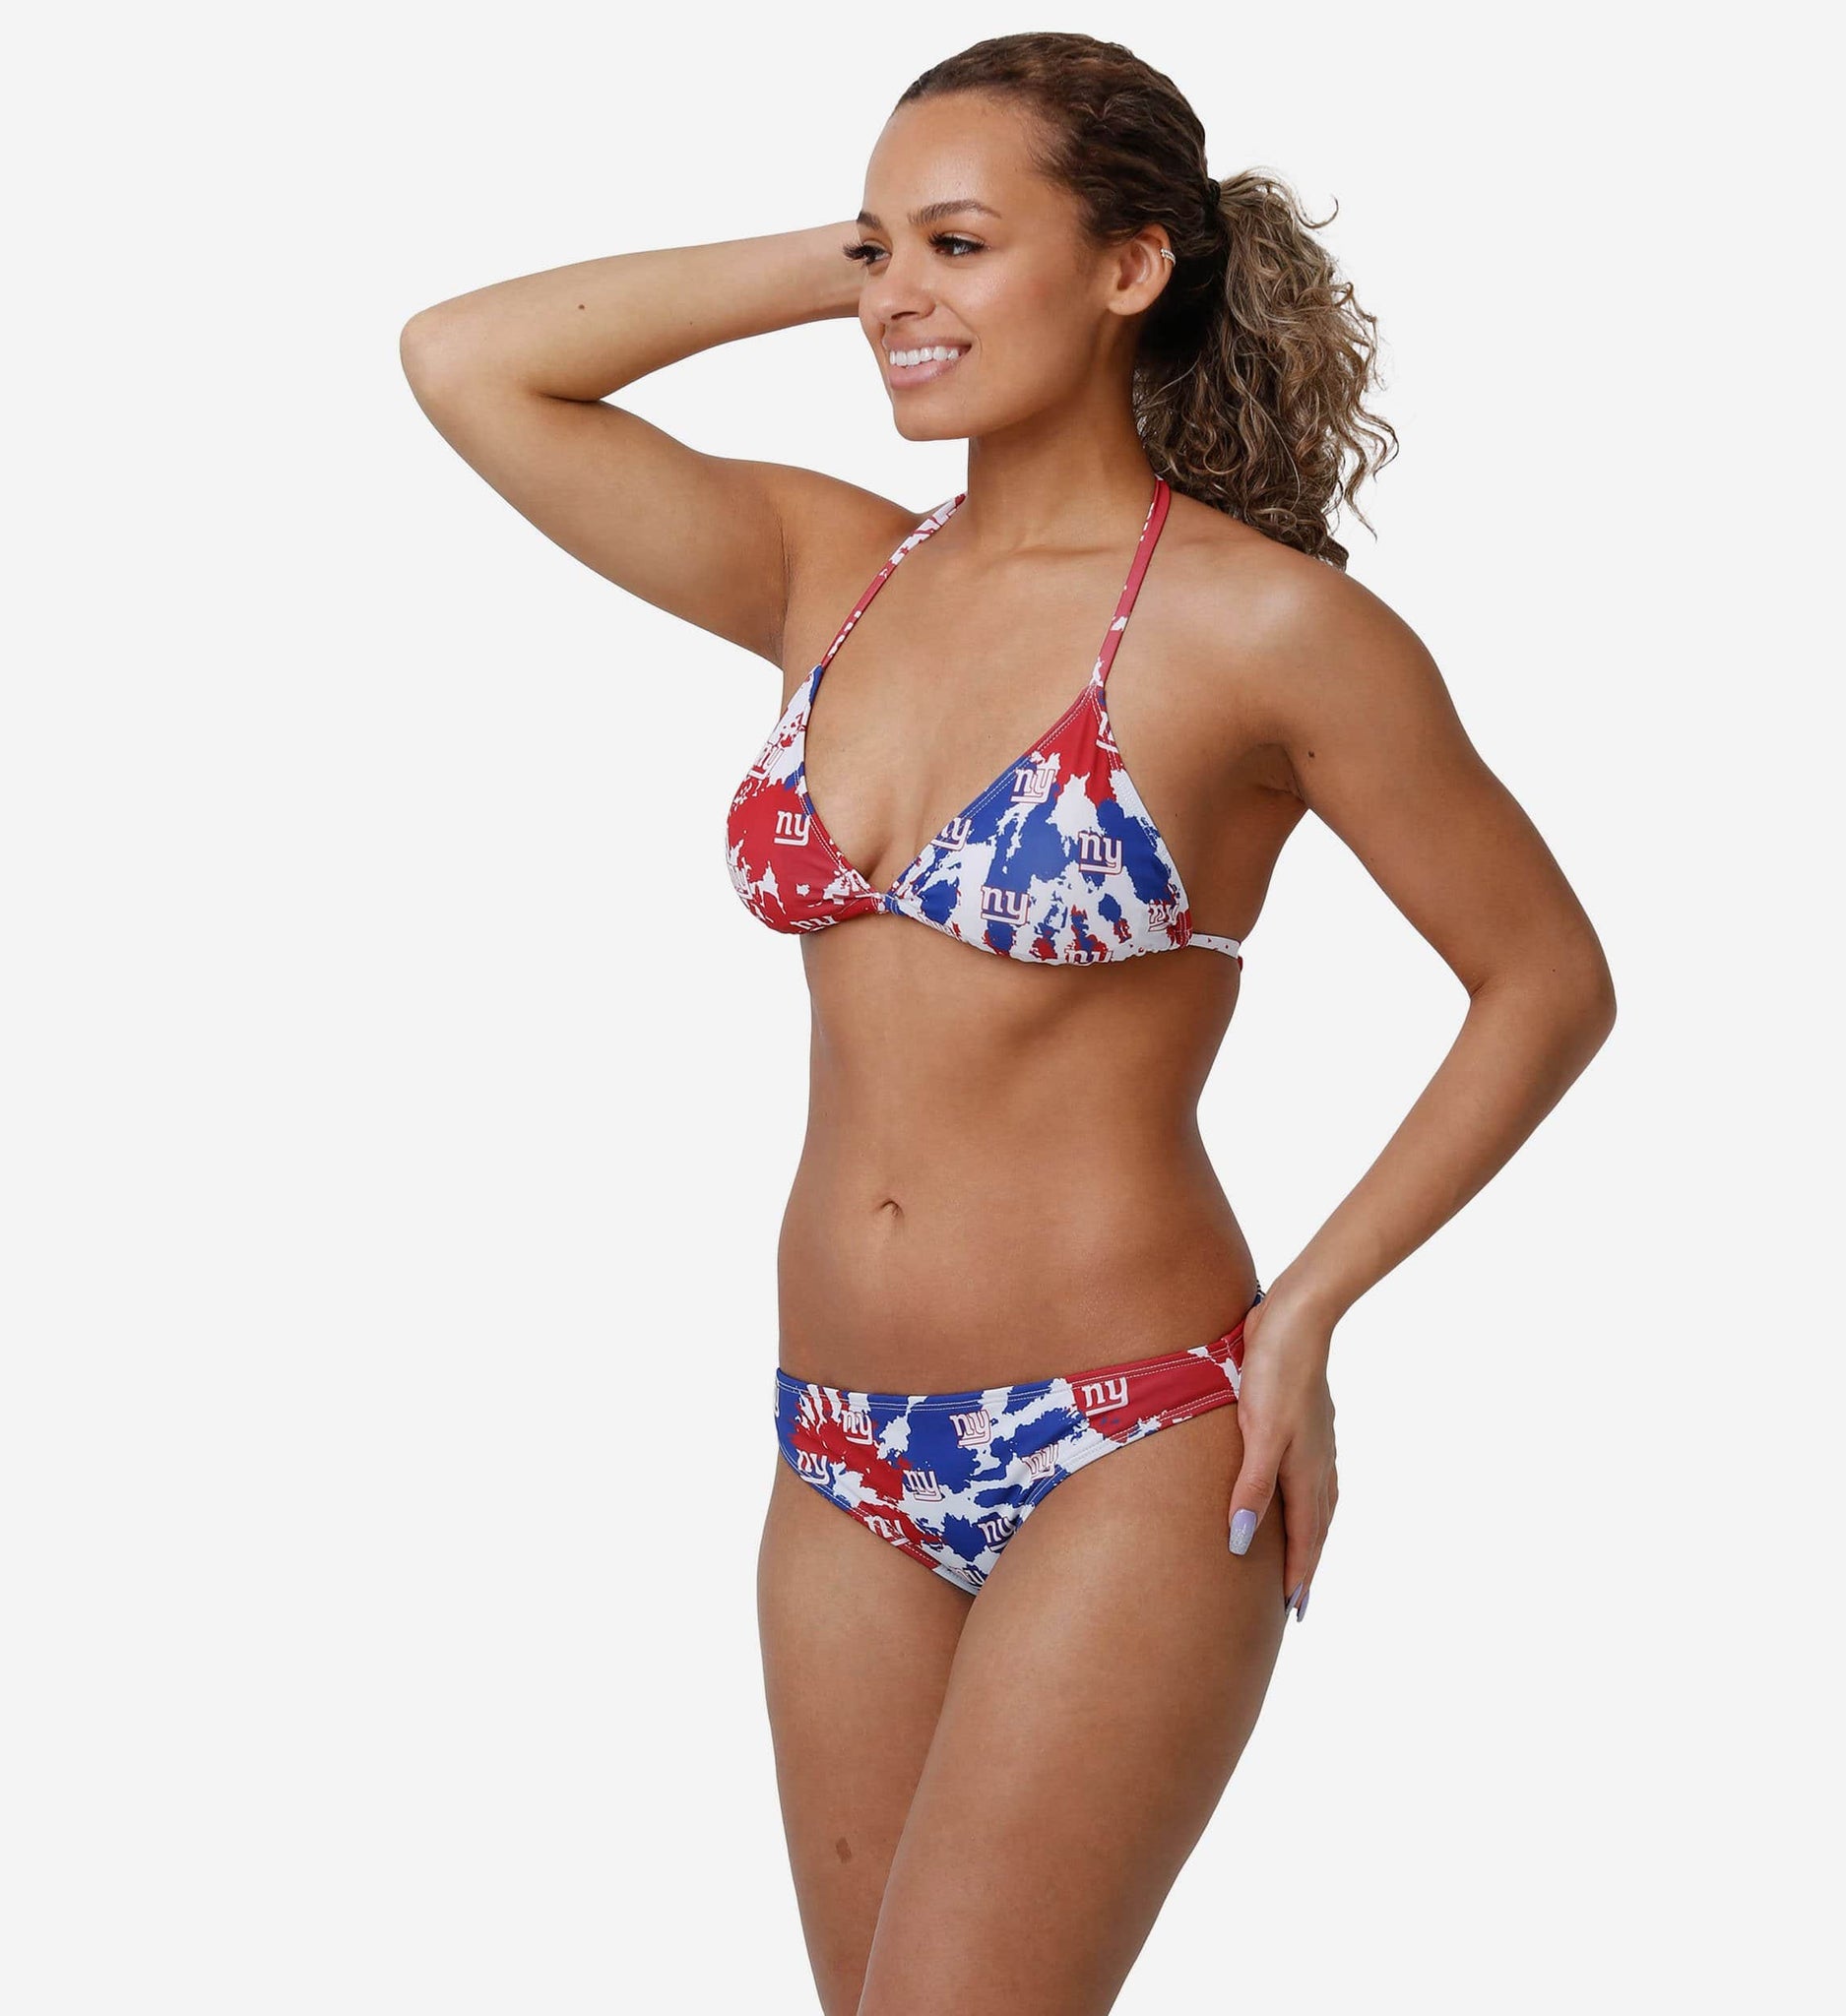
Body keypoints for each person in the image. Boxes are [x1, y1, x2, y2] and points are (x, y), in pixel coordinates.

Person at [400, 29, 1615, 2013]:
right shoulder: (829, 573)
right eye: (879, 247)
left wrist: (1307, 1310)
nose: (901, 295)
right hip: (834, 1454)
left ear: (1131, 265)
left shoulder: (1266, 628)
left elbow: (1544, 978)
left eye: (961, 244)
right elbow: (467, 361)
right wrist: (865, 263)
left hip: (1127, 1436)